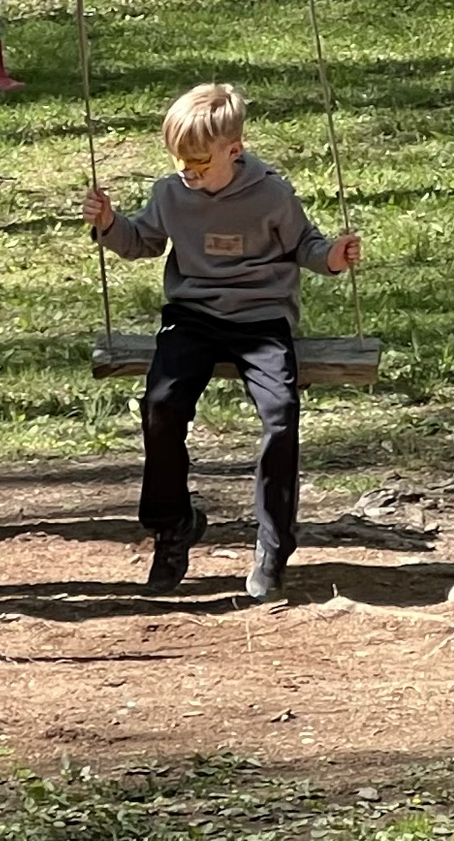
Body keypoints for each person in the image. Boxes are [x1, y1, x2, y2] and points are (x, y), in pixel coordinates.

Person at [81, 82, 363, 602]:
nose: (188, 172)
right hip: (192, 316)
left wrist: (333, 258)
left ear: (234, 150)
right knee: (161, 405)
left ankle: (274, 543)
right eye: (181, 161)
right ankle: (173, 525)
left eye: (199, 162)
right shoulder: (171, 193)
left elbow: (306, 245)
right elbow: (141, 241)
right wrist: (109, 224)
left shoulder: (272, 194)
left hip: (260, 318)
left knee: (281, 413)